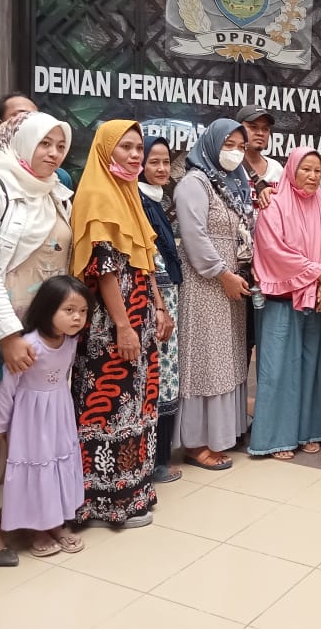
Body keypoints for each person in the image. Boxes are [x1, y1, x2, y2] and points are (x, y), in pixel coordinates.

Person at [0, 110, 74, 568]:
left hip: (44, 338)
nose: (53, 153)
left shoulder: (57, 193)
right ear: (22, 142)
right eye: (44, 143)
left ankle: (30, 511)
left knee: (34, 430)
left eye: (60, 146)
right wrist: (7, 334)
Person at [70, 119, 172, 526]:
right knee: (109, 408)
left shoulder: (128, 193)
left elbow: (145, 261)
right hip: (110, 325)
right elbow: (104, 269)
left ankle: (134, 489)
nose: (134, 155)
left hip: (139, 316)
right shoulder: (97, 194)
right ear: (104, 149)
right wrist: (123, 326)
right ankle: (105, 501)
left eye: (138, 148)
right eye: (125, 147)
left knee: (137, 404)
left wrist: (159, 308)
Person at [250, 147, 321, 459]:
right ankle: (276, 438)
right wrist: (317, 273)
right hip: (283, 301)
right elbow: (273, 250)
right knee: (279, 368)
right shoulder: (274, 203)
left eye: (317, 170)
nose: (312, 176)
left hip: (316, 300)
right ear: (291, 169)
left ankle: (309, 431)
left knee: (313, 366)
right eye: (306, 169)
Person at [0, 275, 90, 557]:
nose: (77, 317)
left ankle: (55, 522)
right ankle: (35, 527)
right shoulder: (29, 345)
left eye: (83, 311)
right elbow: (6, 388)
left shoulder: (70, 341)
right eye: (69, 310)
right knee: (36, 466)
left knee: (57, 462)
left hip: (59, 411)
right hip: (30, 418)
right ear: (48, 308)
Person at [174, 119, 254, 470]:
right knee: (206, 358)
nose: (235, 152)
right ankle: (196, 442)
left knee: (227, 357)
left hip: (231, 283)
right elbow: (194, 236)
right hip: (206, 282)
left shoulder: (234, 182)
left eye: (240, 146)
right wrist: (222, 274)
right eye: (228, 144)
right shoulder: (195, 183)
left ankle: (222, 433)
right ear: (210, 144)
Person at [139, 137, 183, 483]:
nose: (161, 168)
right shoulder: (138, 201)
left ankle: (160, 458)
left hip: (168, 297)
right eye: (153, 161)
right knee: (157, 375)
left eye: (166, 161)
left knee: (167, 376)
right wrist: (159, 305)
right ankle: (152, 461)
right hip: (155, 301)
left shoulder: (157, 199)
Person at [235, 105, 283, 209]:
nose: (260, 133)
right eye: (253, 127)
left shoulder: (277, 168)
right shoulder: (231, 165)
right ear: (239, 130)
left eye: (265, 129)